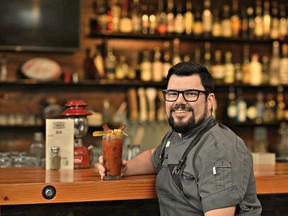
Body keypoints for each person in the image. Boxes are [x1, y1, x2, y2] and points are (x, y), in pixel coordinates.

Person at [97, 61, 262, 215]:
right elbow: (154, 157)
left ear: (210, 101)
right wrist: (125, 168)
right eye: (173, 93)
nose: (179, 101)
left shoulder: (218, 149)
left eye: (190, 94)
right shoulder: (176, 135)